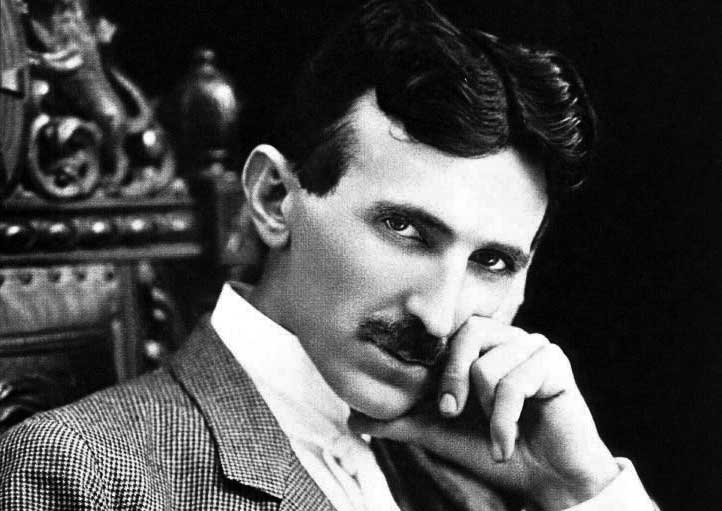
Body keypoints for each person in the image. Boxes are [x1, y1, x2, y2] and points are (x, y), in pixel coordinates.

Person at [0, 1, 658, 510]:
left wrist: (580, 488)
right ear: (272, 197)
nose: (438, 316)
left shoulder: (505, 464)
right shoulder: (83, 472)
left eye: (492, 262)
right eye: (404, 227)